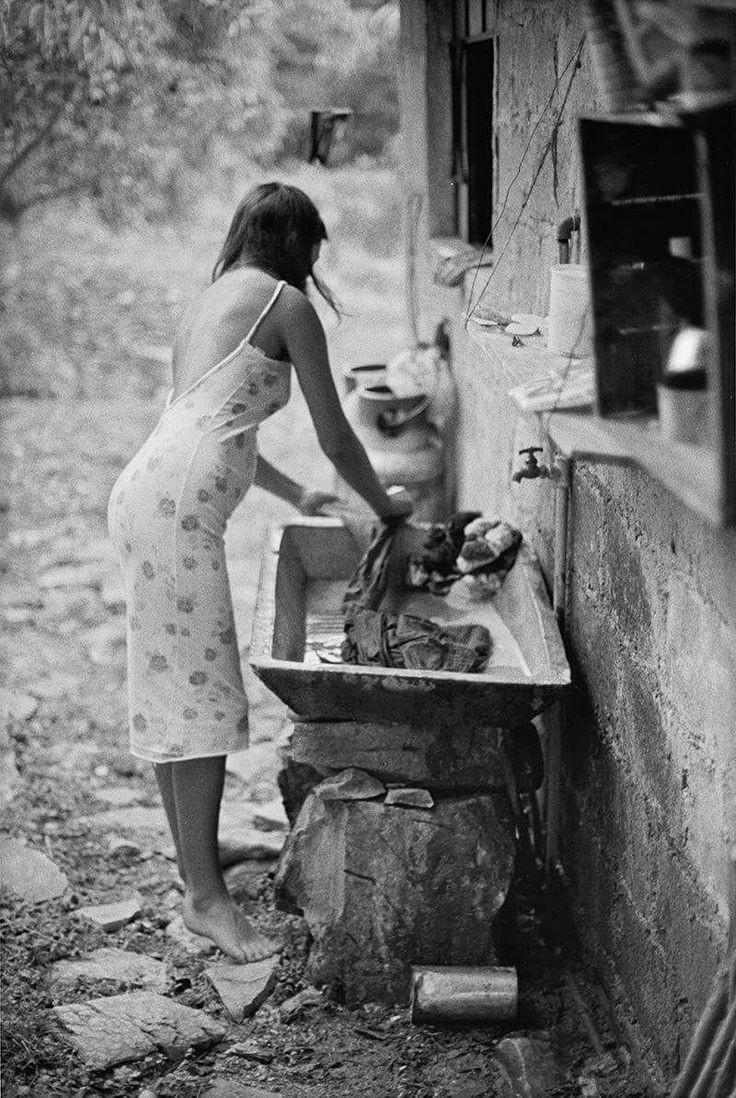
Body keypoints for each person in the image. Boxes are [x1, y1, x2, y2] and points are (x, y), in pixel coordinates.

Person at [107, 182, 411, 962]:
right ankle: (208, 903)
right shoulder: (285, 304)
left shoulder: (220, 296)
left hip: (146, 492)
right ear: (301, 243)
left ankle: (194, 877)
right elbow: (339, 433)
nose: (315, 264)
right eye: (315, 248)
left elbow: (220, 422)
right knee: (200, 698)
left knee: (175, 694)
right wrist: (386, 510)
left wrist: (297, 493)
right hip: (177, 510)